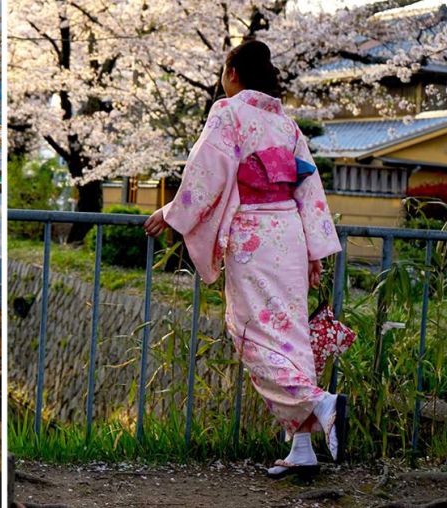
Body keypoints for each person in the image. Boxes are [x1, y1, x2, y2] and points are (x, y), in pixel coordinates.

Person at [144, 40, 348, 478]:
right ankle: (302, 448)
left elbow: (207, 171)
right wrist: (314, 251)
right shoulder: (288, 127)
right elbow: (310, 193)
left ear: (233, 72)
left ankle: (319, 403)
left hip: (253, 236)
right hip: (290, 234)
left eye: (223, 67)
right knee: (291, 336)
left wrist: (172, 211)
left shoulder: (229, 111)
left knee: (250, 335)